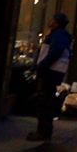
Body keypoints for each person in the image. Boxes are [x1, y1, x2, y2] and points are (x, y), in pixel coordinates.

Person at [28, 12, 72, 141]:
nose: (50, 21)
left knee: (44, 102)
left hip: (50, 72)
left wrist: (40, 66)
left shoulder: (58, 36)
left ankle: (43, 132)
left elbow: (53, 54)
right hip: (51, 71)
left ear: (56, 22)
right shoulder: (59, 35)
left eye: (52, 19)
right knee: (46, 101)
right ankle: (44, 131)